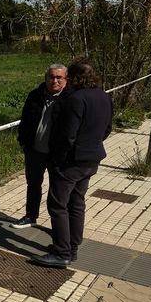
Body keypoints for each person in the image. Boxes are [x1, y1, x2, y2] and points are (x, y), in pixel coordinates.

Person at [33, 59, 112, 268]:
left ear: (74, 78)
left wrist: (58, 159)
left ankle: (61, 252)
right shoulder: (104, 96)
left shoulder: (76, 99)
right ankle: (72, 247)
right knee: (77, 203)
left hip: (71, 162)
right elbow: (107, 129)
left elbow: (67, 135)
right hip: (91, 159)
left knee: (57, 205)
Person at [11, 64, 69, 228]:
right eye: (51, 77)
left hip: (56, 154)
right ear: (45, 78)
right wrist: (23, 142)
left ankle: (58, 225)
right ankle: (31, 216)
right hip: (34, 150)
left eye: (59, 77)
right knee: (33, 184)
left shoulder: (70, 99)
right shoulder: (35, 96)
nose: (54, 81)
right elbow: (25, 121)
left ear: (66, 79)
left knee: (57, 190)